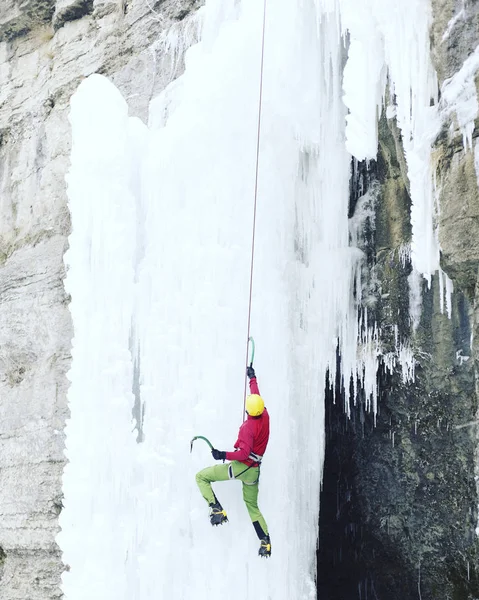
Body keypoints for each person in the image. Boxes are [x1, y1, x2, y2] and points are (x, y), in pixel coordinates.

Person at [195, 365, 271, 558]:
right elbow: (257, 395)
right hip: (254, 472)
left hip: (241, 468)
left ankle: (217, 509)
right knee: (252, 506)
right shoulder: (265, 416)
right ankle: (265, 541)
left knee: (202, 477)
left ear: (248, 411)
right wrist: (252, 379)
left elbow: (244, 453)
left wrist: (223, 455)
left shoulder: (248, 428)